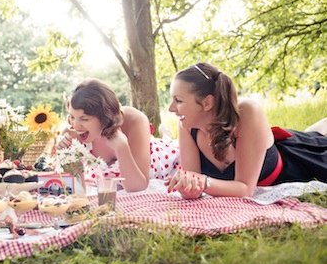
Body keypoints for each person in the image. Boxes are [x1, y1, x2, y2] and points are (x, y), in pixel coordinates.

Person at [166, 62, 327, 198]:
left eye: (178, 100)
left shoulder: (247, 111)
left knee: (317, 138)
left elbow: (244, 189)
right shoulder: (186, 126)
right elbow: (193, 190)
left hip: (298, 162)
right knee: (313, 132)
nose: (171, 108)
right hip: (271, 142)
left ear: (207, 103)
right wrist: (185, 184)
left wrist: (203, 182)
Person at [57, 79, 179, 192]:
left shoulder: (135, 120)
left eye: (84, 119)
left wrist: (122, 148)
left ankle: (165, 135)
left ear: (104, 116)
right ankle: (165, 133)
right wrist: (68, 158)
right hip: (109, 181)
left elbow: (136, 187)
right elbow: (78, 190)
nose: (76, 125)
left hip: (159, 158)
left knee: (171, 145)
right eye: (72, 116)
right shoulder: (72, 135)